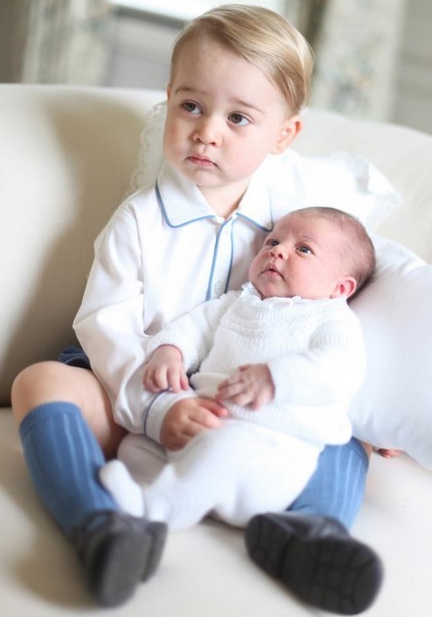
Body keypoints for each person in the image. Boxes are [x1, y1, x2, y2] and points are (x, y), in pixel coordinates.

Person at [11, 4, 383, 613]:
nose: (207, 131)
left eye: (239, 117)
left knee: (348, 436)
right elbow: (105, 325)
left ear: (283, 135)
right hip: (136, 392)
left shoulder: (298, 221)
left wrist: (379, 405)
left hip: (255, 408)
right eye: (191, 106)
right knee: (41, 381)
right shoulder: (139, 221)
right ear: (169, 100)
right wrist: (160, 408)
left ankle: (311, 533)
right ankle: (102, 525)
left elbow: (351, 298)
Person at [99, 206, 375, 537]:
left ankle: (156, 511)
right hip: (201, 427)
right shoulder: (237, 302)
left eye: (304, 249)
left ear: (340, 288)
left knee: (226, 447)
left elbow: (340, 369)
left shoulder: (331, 319)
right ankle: (153, 489)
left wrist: (275, 378)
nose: (278, 250)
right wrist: (169, 351)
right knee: (137, 444)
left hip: (265, 453)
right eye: (272, 241)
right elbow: (194, 327)